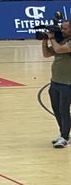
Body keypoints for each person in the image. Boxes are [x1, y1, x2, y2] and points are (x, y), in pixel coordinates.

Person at [41, 19, 71, 148]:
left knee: (64, 110)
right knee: (57, 110)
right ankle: (63, 134)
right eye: (61, 28)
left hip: (67, 83)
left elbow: (58, 50)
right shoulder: (61, 41)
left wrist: (52, 37)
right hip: (55, 82)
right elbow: (47, 54)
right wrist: (44, 41)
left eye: (65, 28)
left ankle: (65, 137)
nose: (62, 31)